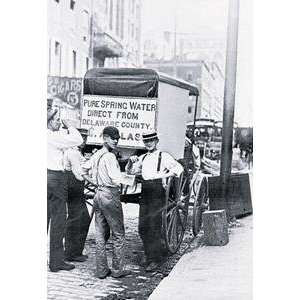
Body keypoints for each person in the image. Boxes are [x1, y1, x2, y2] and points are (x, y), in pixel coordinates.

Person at [126, 130, 183, 272]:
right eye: (146, 141)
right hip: (145, 191)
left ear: (156, 141)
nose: (149, 143)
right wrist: (130, 161)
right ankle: (148, 253)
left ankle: (155, 259)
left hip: (158, 191)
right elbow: (130, 172)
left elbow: (179, 169)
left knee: (154, 225)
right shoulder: (143, 157)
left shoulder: (163, 156)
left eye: (151, 140)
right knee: (142, 226)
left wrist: (165, 176)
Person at [82, 126, 131, 279]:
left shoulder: (97, 154)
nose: (115, 140)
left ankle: (101, 270)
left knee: (100, 235)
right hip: (110, 195)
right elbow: (117, 179)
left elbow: (82, 170)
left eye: (117, 138)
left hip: (98, 195)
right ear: (104, 138)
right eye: (112, 137)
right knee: (118, 234)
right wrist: (131, 178)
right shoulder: (110, 157)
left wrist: (96, 183)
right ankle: (117, 270)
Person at [47, 108, 83, 272]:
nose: (59, 123)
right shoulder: (53, 137)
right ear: (48, 121)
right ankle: (56, 262)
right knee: (58, 220)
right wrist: (70, 125)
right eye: (56, 120)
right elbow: (78, 139)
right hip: (55, 178)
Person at [64, 128, 91, 263]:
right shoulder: (73, 152)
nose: (84, 141)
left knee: (81, 218)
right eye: (82, 138)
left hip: (75, 188)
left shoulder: (76, 151)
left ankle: (75, 252)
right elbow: (79, 175)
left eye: (86, 138)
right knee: (77, 218)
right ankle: (70, 253)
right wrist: (93, 180)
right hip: (73, 187)